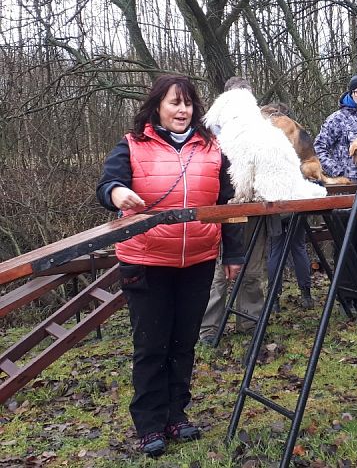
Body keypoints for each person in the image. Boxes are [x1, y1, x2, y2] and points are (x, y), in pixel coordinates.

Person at [96, 75, 244, 457]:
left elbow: (226, 206)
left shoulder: (213, 149)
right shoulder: (132, 145)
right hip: (146, 261)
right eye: (174, 103)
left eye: (188, 104)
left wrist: (235, 254)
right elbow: (107, 185)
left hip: (197, 259)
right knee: (151, 345)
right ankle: (149, 424)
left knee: (183, 343)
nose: (182, 110)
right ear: (157, 106)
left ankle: (177, 415)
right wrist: (118, 193)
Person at [199, 77, 269, 344]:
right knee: (218, 272)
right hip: (221, 210)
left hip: (255, 208)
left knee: (252, 270)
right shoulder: (211, 132)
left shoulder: (262, 129)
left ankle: (249, 322)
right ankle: (208, 328)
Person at [314, 72, 357, 312]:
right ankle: (346, 297)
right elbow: (320, 146)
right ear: (351, 94)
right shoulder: (338, 119)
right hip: (345, 192)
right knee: (346, 245)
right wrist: (337, 173)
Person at [266, 215, 314, 311]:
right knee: (299, 248)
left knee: (275, 251)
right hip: (295, 208)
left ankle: (274, 300)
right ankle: (306, 296)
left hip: (275, 210)